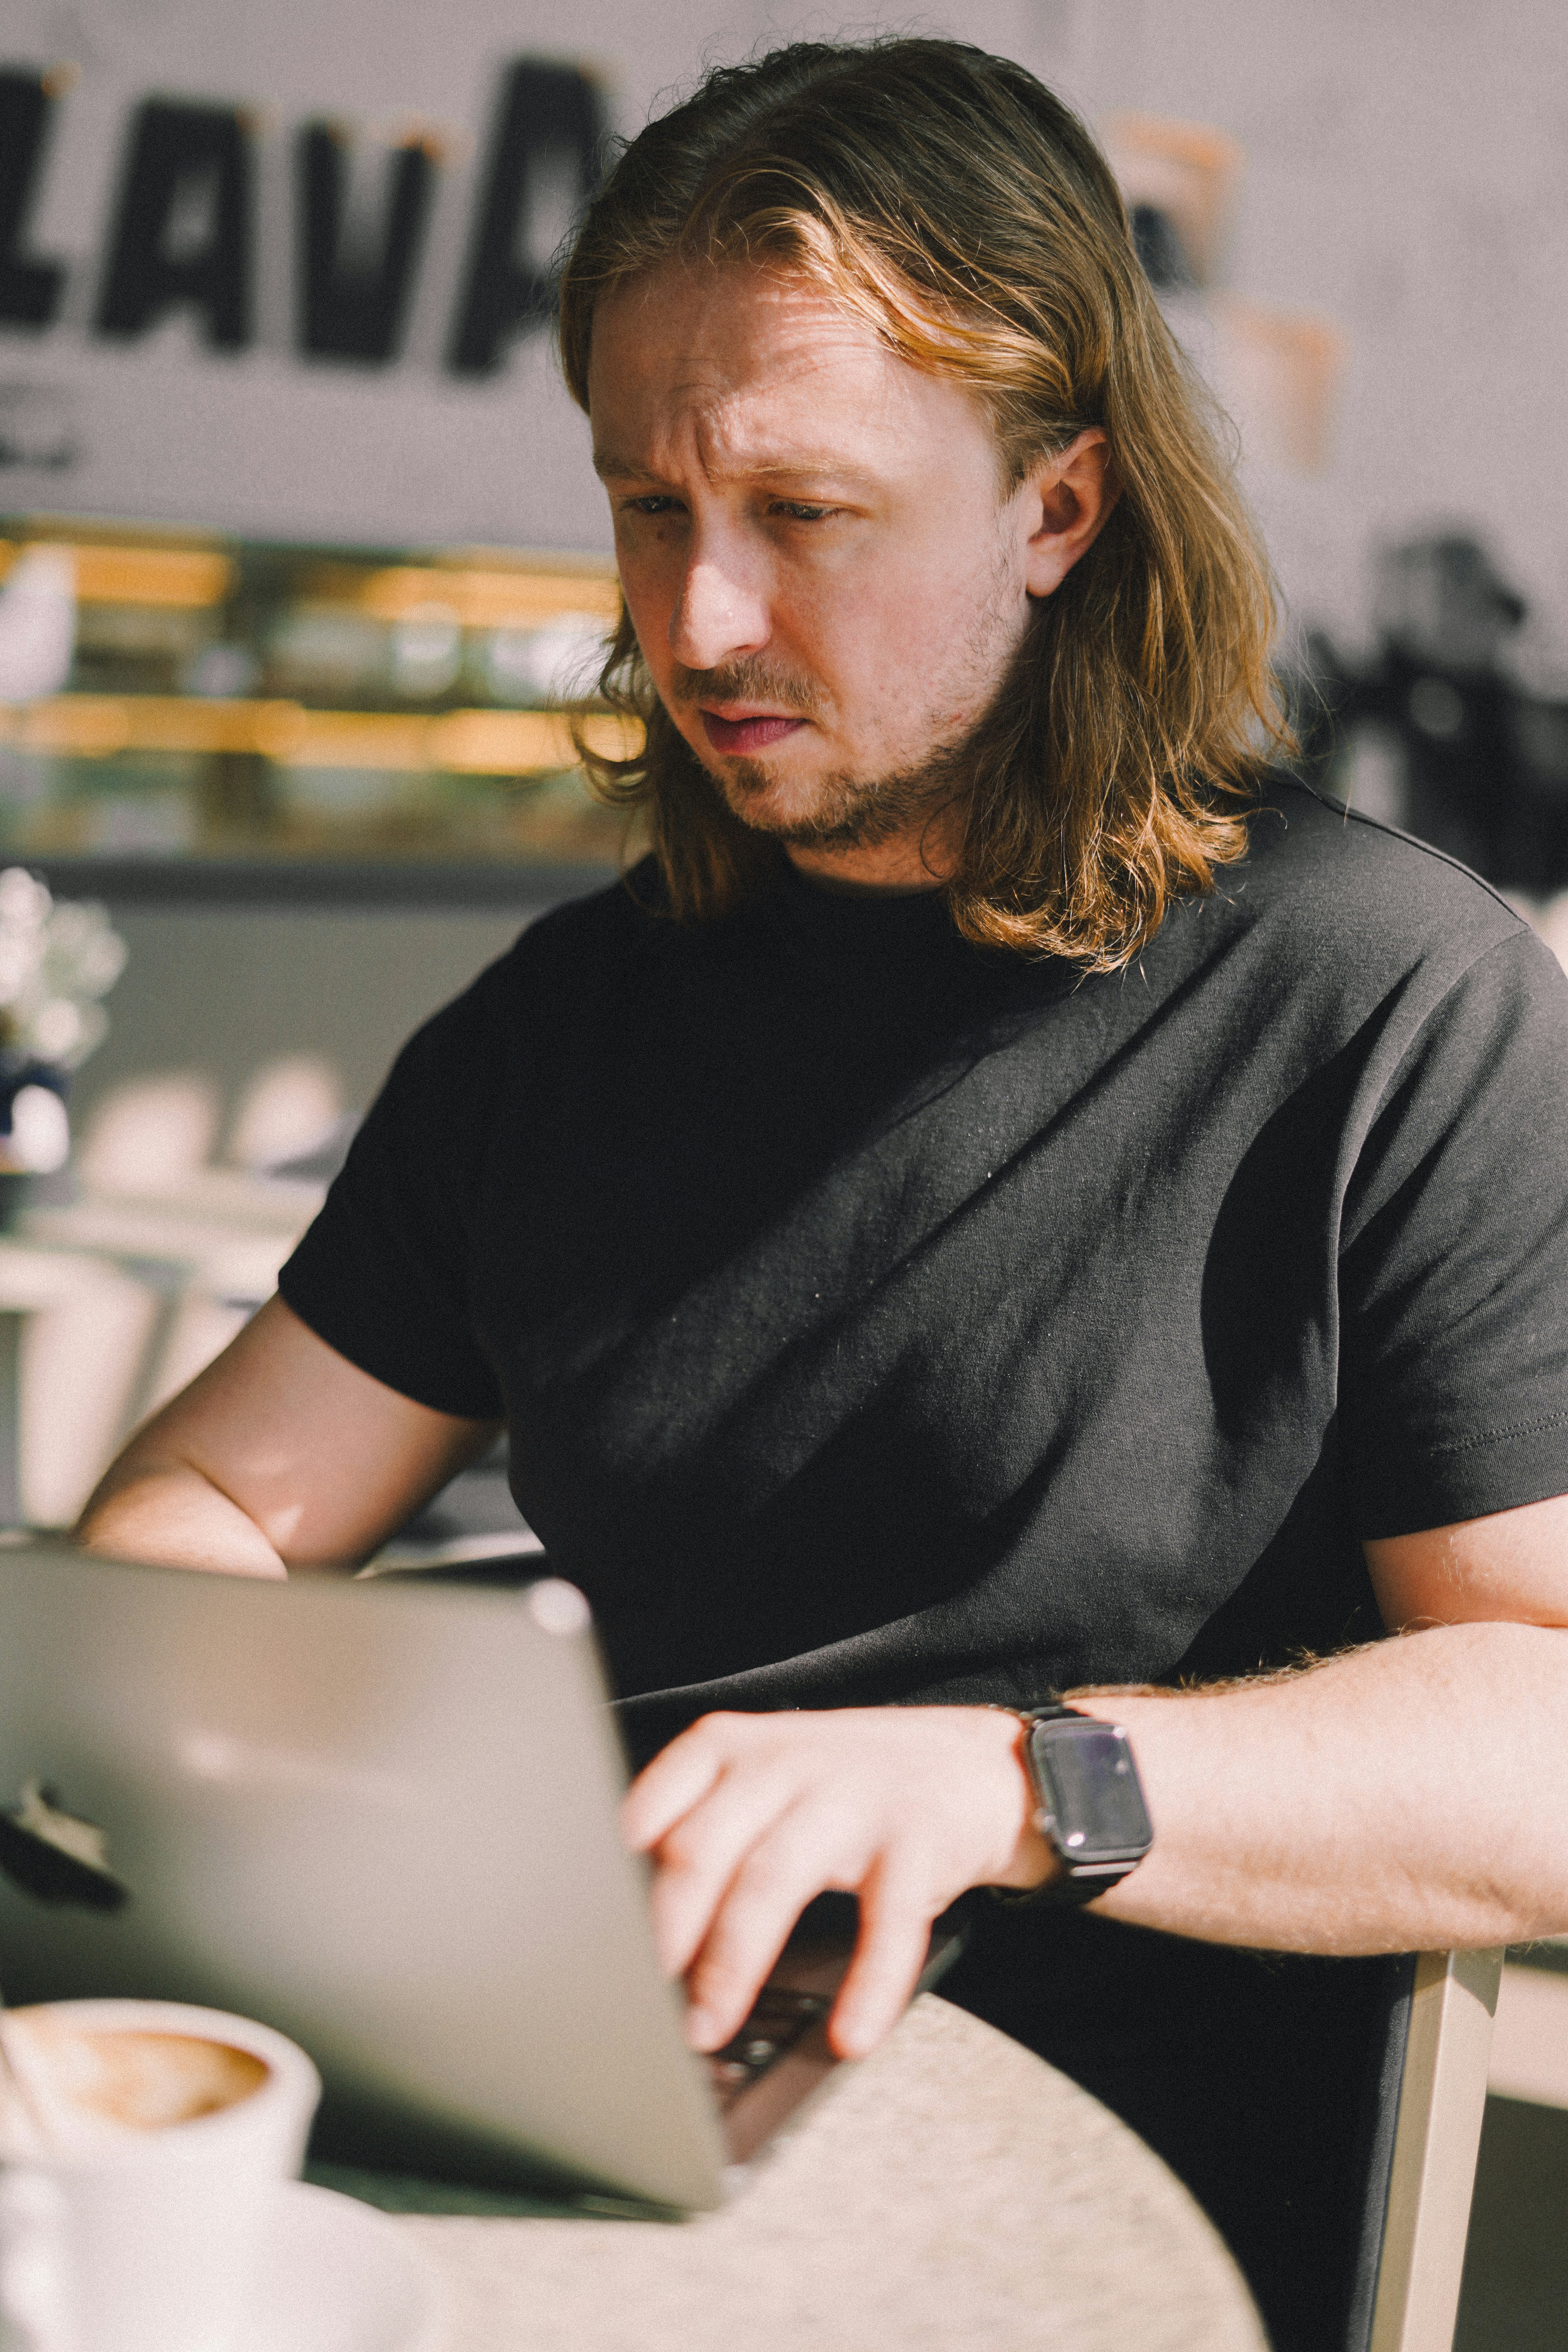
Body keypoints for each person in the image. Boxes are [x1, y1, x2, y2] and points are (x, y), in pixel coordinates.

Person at [78, 39, 1568, 2349]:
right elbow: (222, 1506)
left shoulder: (1383, 997)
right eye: (649, 511)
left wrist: (1018, 1784)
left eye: (809, 511)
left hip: (1092, 2205)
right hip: (571, 2132)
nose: (701, 624)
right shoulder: (567, 1024)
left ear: (1059, 508)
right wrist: (186, 1742)